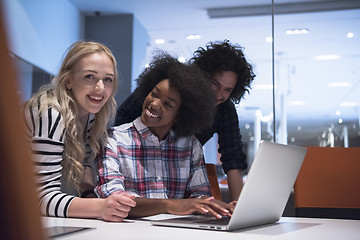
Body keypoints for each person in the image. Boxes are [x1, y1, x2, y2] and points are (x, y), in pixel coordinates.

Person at [95, 53, 234, 218]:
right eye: (154, 94)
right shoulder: (113, 140)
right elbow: (114, 202)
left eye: (167, 104)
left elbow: (200, 194)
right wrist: (173, 204)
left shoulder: (190, 145)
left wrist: (218, 206)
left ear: (179, 116)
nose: (154, 104)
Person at [114, 40, 255, 201]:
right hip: (139, 173)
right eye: (214, 84)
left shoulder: (222, 112)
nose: (218, 94)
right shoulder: (167, 90)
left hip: (182, 181)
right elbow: (121, 128)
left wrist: (239, 209)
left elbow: (233, 159)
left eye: (227, 90)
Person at [24, 41, 136, 222]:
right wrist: (101, 207)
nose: (100, 87)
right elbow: (40, 198)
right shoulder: (51, 114)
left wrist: (91, 195)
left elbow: (83, 170)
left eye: (108, 79)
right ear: (68, 81)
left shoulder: (90, 115)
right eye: (90, 77)